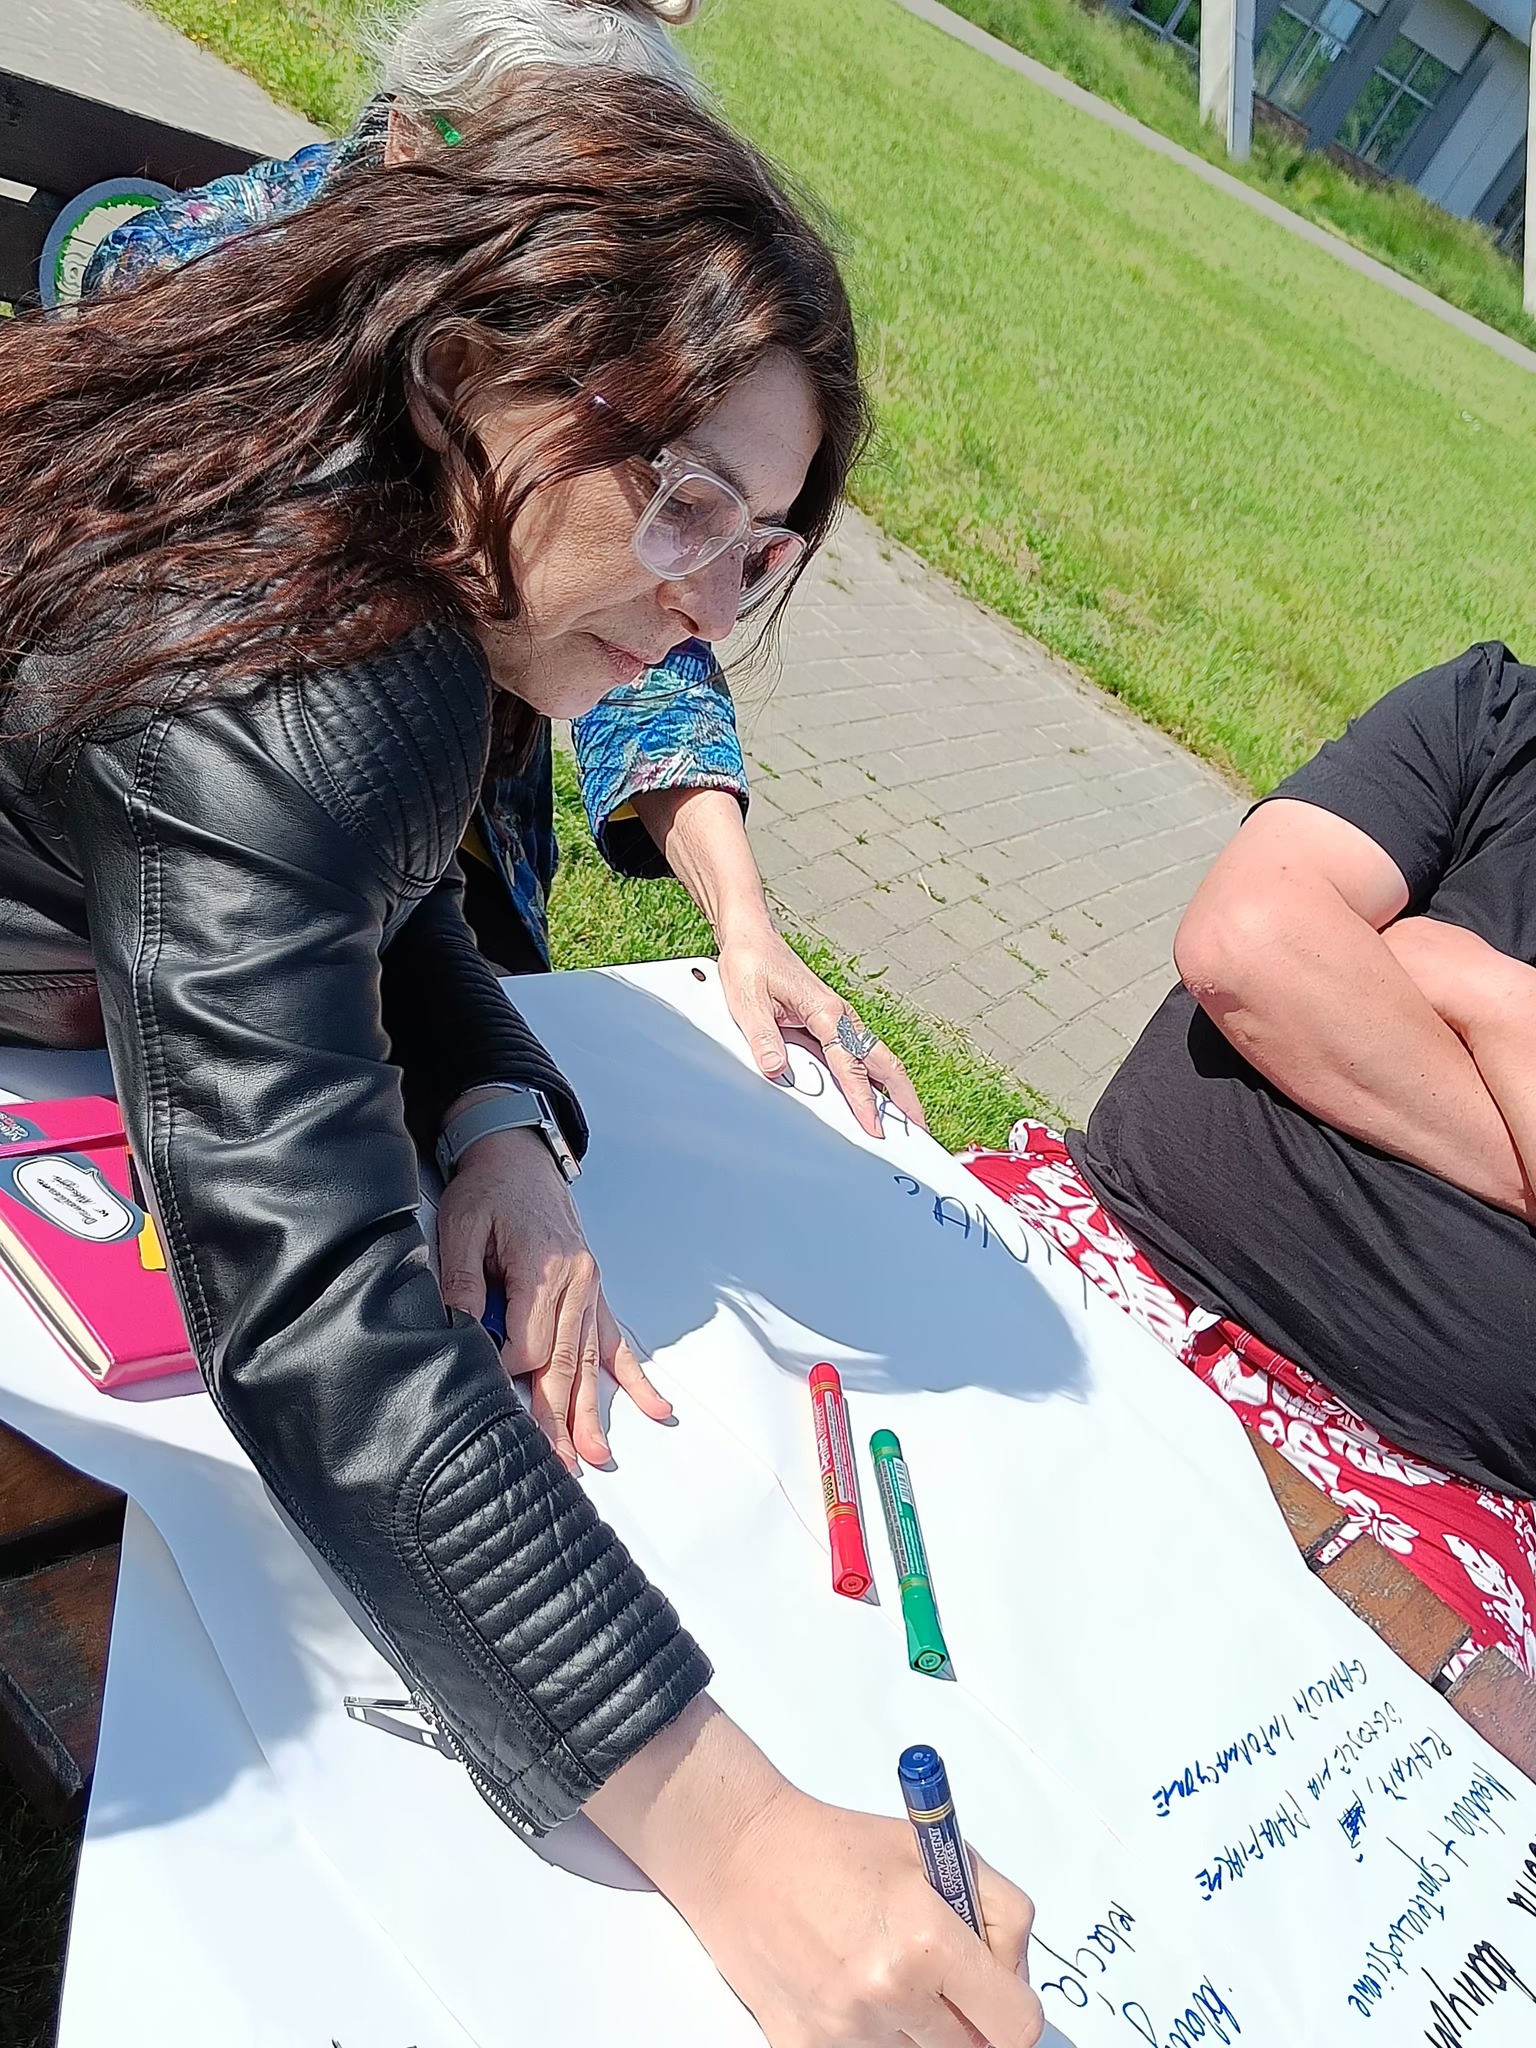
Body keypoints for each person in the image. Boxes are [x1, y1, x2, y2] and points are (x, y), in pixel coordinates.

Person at [0, 74, 1042, 2047]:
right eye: (685, 505)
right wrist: (746, 1840)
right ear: (474, 374)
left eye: (760, 554)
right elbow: (314, 1319)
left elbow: (358, 883)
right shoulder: (319, 664)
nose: (704, 603)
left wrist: (491, 1111)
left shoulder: (344, 497)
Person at [83, 0, 925, 1157]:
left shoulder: (579, 433)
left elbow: (650, 633)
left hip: (431, 904)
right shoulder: (252, 328)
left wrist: (742, 921)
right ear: (417, 144)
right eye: (560, 196)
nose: (599, 257)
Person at [968, 642, 1536, 1680]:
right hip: (1105, 1250)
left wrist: (1484, 992)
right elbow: (1249, 942)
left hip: (1424, 1495)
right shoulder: (1498, 718)